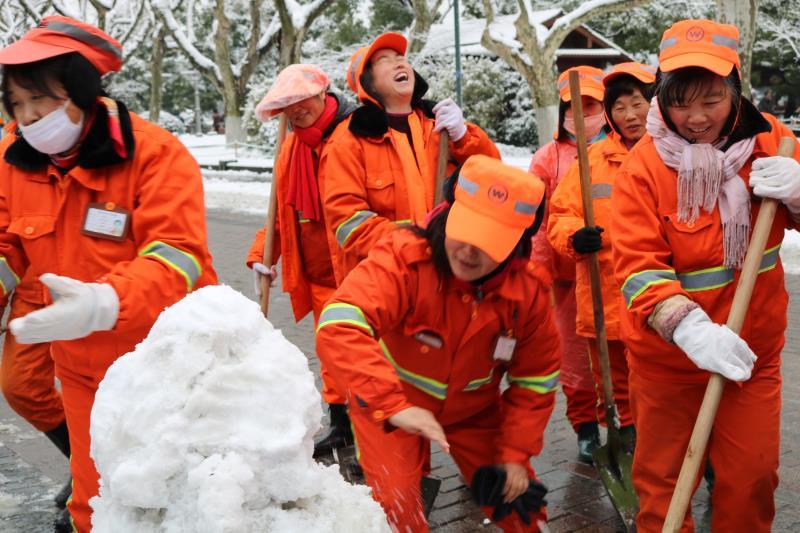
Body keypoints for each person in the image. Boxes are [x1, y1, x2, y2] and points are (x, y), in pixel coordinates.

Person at [0, 17, 217, 532]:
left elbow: (180, 256)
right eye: (16, 104)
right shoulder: (14, 159)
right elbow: (6, 243)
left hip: (158, 364)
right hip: (78, 367)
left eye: (42, 101)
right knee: (94, 508)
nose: (29, 118)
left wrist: (105, 303)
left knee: (168, 500)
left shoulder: (156, 155)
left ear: (81, 89)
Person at [610, 19, 800, 532]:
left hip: (751, 355)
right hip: (668, 364)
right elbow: (636, 269)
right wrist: (689, 330)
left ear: (735, 87)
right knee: (663, 489)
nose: (695, 117)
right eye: (679, 100)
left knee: (752, 480)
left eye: (711, 99)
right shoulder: (643, 169)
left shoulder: (773, 143)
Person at [316, 155, 560, 532]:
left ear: (517, 246)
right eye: (464, 233)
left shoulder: (528, 294)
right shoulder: (404, 256)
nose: (467, 251)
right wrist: (391, 404)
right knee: (396, 512)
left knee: (523, 509)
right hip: (391, 408)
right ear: (449, 214)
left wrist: (515, 454)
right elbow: (340, 322)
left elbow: (535, 382)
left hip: (474, 415)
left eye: (487, 243)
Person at [320, 32, 500, 283]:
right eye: (385, 59)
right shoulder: (348, 141)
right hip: (387, 279)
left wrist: (463, 137)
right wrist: (416, 242)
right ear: (367, 84)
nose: (400, 63)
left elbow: (493, 179)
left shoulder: (442, 128)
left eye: (401, 57)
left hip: (450, 274)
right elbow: (347, 221)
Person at [245, 64, 355, 458]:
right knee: (330, 352)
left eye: (301, 100)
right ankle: (342, 426)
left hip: (357, 274)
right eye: (286, 105)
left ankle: (378, 434)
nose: (295, 110)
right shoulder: (290, 147)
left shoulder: (352, 135)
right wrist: (262, 255)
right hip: (318, 276)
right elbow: (278, 213)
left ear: (323, 94)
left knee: (362, 354)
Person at [547, 62, 655, 446]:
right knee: (615, 384)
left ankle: (670, 448)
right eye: (620, 107)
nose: (629, 115)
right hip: (604, 295)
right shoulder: (589, 163)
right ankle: (626, 440)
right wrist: (576, 236)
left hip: (657, 301)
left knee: (661, 384)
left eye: (638, 103)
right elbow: (560, 215)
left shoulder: (672, 156)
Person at [528, 65, 607, 463]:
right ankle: (586, 428)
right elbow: (538, 224)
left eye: (591, 105)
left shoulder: (625, 151)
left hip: (614, 274)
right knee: (575, 361)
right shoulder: (547, 158)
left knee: (622, 355)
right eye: (574, 106)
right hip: (566, 280)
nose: (582, 113)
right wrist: (541, 274)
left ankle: (626, 423)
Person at [0, 275, 73, 508]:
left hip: (97, 293)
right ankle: (85, 466)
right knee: (21, 387)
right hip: (33, 293)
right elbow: (6, 250)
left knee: (97, 392)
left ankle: (91, 482)